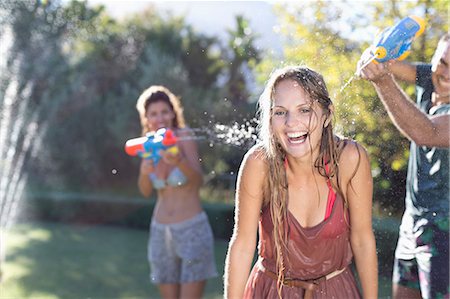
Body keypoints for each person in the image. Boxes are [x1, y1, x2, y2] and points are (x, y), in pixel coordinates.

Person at [224, 66, 378, 299]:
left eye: (304, 110)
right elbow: (243, 244)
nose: (291, 122)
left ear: (327, 115)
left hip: (335, 292)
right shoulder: (260, 164)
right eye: (280, 112)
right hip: (272, 291)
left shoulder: (349, 159)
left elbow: (363, 239)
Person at [357, 34, 450, 299]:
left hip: (445, 232)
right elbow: (388, 63)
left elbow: (427, 132)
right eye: (442, 62)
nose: (445, 74)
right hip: (412, 223)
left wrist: (381, 79)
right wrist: (376, 56)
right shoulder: (430, 78)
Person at [135, 85, 217, 299]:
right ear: (146, 118)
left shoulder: (184, 136)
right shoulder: (148, 144)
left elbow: (198, 181)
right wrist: (145, 173)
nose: (159, 117)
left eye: (164, 111)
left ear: (173, 112)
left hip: (192, 230)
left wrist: (179, 161)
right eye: (153, 113)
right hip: (160, 232)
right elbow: (145, 192)